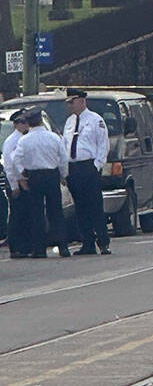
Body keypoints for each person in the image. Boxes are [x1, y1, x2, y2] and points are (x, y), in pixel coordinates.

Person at [10, 110, 71, 259]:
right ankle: (63, 247)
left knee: (36, 213)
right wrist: (63, 175)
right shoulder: (54, 138)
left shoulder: (24, 141)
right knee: (56, 212)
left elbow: (15, 160)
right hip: (51, 175)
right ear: (41, 121)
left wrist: (21, 176)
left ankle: (39, 249)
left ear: (29, 123)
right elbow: (63, 158)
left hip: (34, 177)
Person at [62, 88, 111, 256]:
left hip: (89, 167)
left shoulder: (96, 120)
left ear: (82, 101)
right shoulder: (69, 122)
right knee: (81, 208)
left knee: (95, 206)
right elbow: (65, 145)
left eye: (72, 102)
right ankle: (87, 242)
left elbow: (103, 145)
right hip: (73, 168)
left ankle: (103, 242)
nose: (70, 106)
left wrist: (97, 166)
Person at [2, 110, 33, 258]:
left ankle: (26, 246)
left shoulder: (26, 138)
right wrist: (15, 186)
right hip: (16, 183)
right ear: (16, 124)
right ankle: (16, 248)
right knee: (17, 216)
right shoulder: (11, 141)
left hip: (26, 182)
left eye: (26, 121)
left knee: (26, 215)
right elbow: (9, 166)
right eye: (22, 122)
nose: (25, 124)